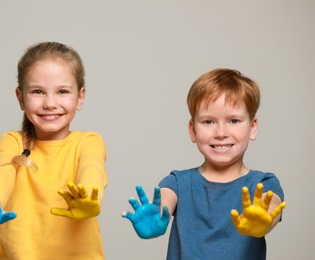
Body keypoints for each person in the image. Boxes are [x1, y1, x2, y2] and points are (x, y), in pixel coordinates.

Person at [0, 42, 108, 260]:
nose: (50, 103)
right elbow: (1, 172)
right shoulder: (12, 141)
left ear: (80, 97)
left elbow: (92, 168)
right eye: (38, 91)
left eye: (62, 91)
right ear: (20, 97)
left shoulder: (88, 141)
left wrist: (91, 198)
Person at [122, 68, 286, 259]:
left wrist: (265, 219)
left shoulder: (264, 183)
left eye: (234, 120)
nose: (221, 132)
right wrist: (157, 216)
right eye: (208, 122)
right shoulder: (177, 182)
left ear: (253, 127)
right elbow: (164, 201)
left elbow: (271, 203)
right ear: (193, 130)